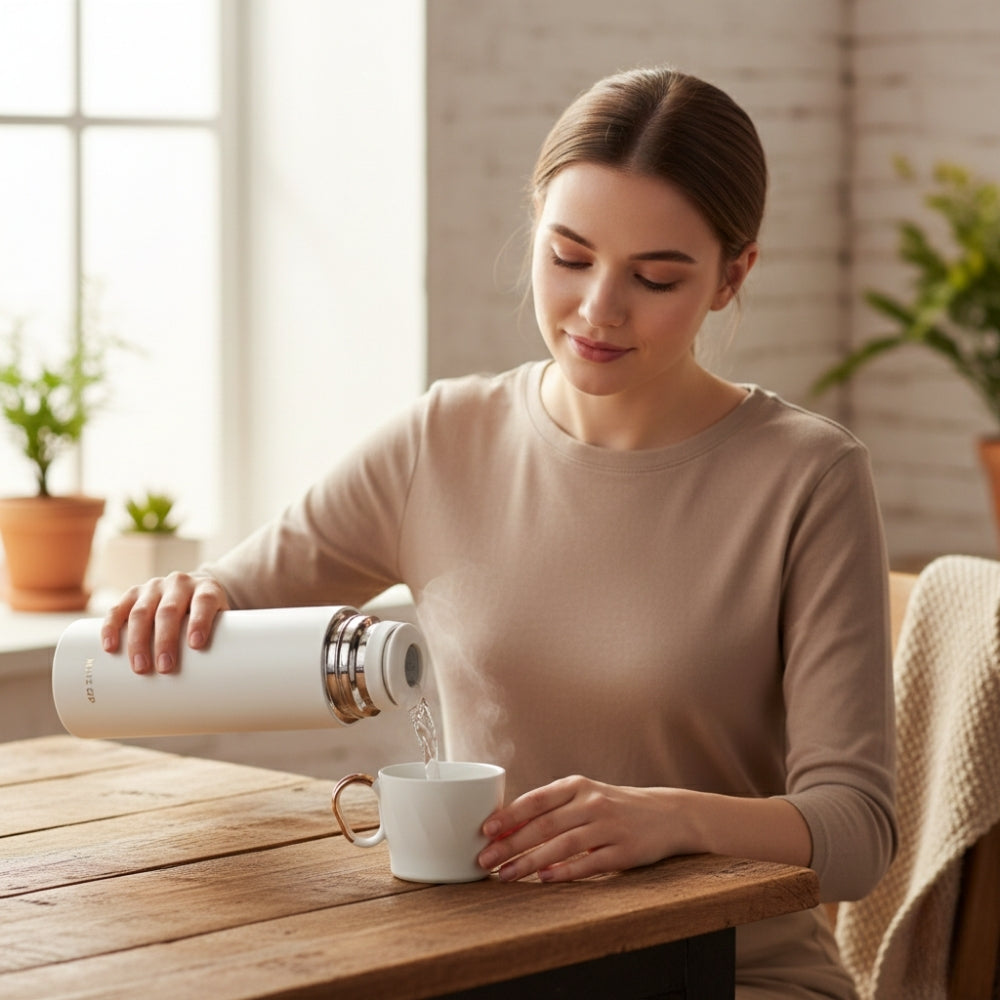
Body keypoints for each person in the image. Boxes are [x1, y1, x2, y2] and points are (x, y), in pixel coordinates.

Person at [102, 67, 895, 998]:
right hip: (489, 963)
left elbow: (856, 834)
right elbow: (234, 597)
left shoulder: (809, 477)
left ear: (733, 276)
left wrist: (672, 820)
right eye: (569, 256)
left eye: (655, 276)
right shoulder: (442, 440)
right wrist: (187, 595)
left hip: (733, 973)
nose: (600, 308)